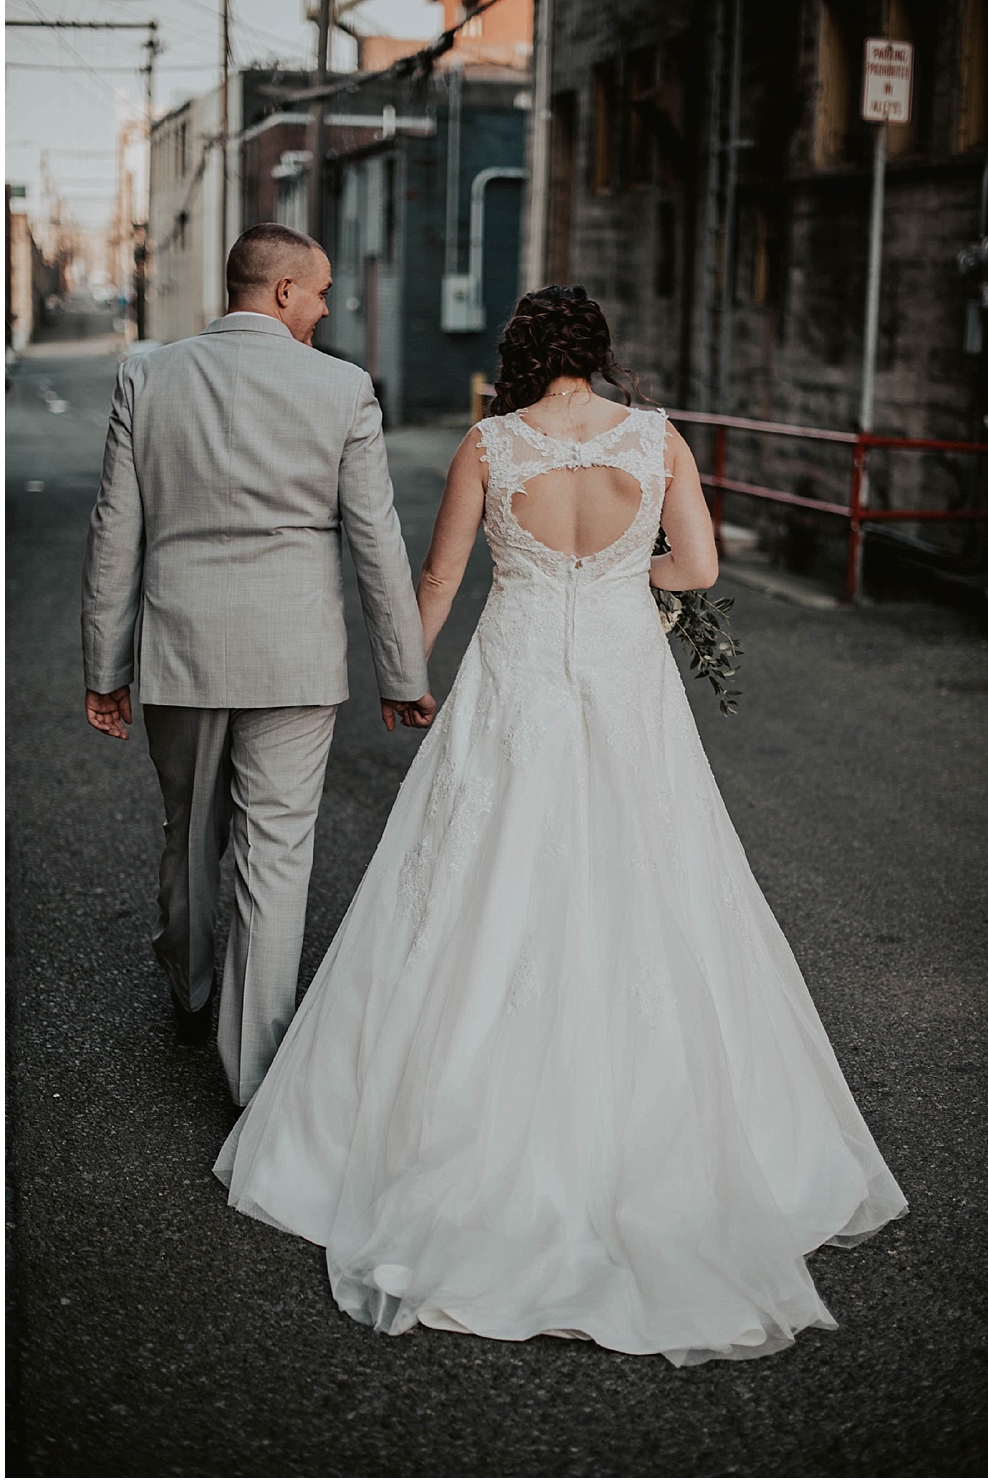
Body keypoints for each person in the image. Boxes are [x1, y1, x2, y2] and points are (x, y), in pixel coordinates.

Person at [211, 286, 906, 1363]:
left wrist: (402, 677)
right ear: (598, 355)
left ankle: (440, 1144)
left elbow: (440, 573)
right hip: (624, 670)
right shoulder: (655, 435)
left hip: (518, 671)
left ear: (520, 357)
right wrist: (633, 583)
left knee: (478, 876)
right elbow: (704, 567)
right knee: (656, 873)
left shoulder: (490, 444)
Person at [81, 222, 433, 1105]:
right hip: (295, 656)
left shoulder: (148, 375)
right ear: (281, 291)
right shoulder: (343, 387)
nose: (321, 309)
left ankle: (192, 991)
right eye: (316, 293)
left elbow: (114, 531)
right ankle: (254, 1081)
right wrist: (404, 672)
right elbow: (376, 542)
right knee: (276, 856)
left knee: (190, 831)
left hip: (182, 651)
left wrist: (104, 666)